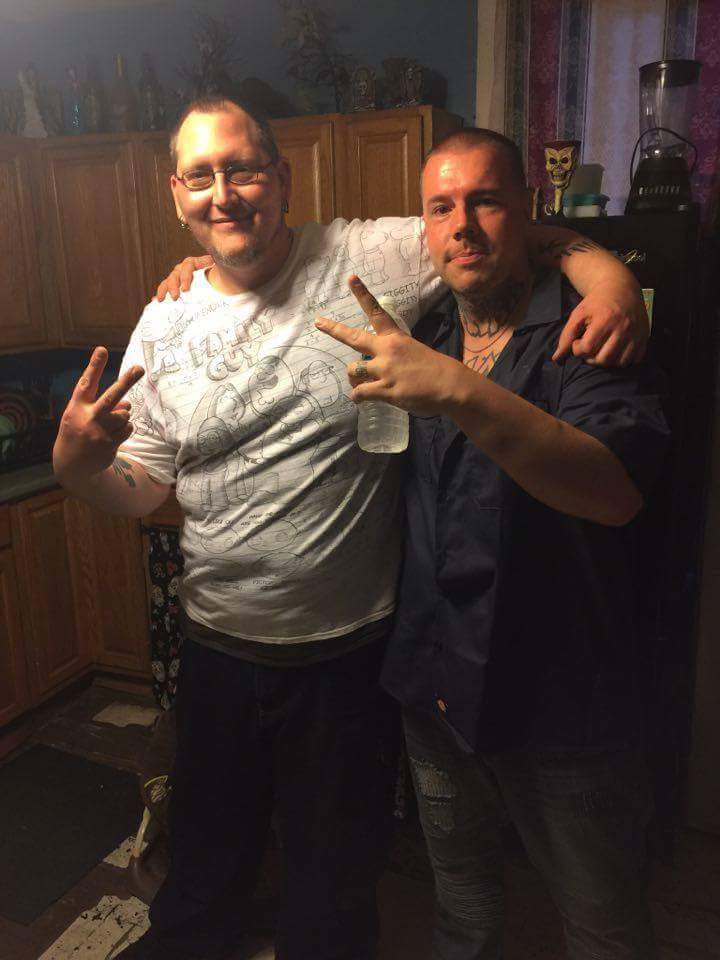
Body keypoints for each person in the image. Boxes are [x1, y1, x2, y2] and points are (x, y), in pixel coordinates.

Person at [53, 94, 648, 960]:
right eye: (200, 177)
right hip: (217, 648)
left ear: (282, 178)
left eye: (242, 169)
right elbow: (143, 491)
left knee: (332, 889)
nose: (223, 193)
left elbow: (499, 231)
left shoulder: (368, 253)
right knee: (202, 872)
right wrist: (77, 469)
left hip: (348, 656)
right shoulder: (163, 321)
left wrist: (615, 281)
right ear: (176, 195)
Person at [316, 128, 668, 959]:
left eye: (485, 201)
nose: (462, 226)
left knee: (604, 928)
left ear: (528, 211)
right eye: (441, 208)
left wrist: (462, 393)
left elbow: (614, 493)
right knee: (463, 908)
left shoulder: (589, 329)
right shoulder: (426, 328)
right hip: (435, 683)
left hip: (562, 700)